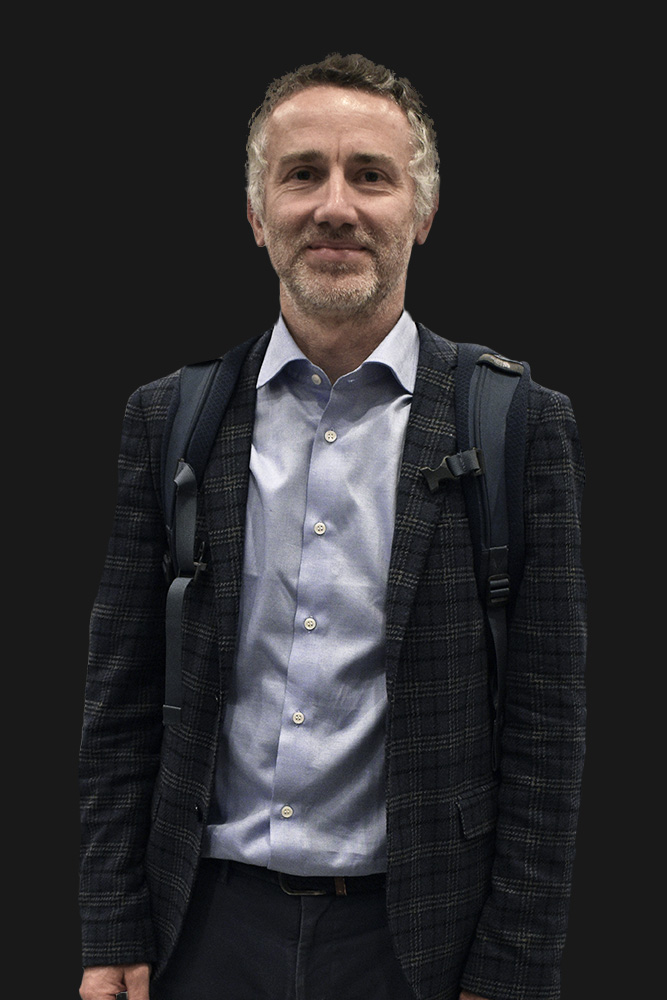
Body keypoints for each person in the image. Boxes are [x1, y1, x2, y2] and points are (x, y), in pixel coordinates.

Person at [79, 53, 586, 1000]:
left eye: (371, 175)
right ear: (256, 212)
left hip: (421, 938)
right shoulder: (172, 419)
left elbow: (546, 727)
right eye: (302, 173)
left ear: (422, 211)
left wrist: (512, 966)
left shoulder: (513, 424)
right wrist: (112, 925)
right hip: (202, 927)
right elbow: (121, 700)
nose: (335, 206)